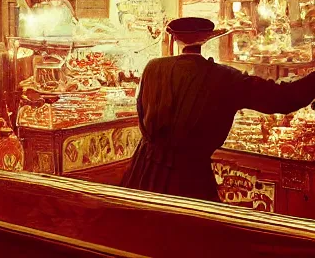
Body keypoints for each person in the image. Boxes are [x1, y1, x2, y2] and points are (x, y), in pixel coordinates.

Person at [122, 17, 315, 202]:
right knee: (191, 233)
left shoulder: (152, 68)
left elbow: (141, 111)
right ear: (208, 38)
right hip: (190, 182)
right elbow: (283, 99)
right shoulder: (225, 78)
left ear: (173, 37)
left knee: (139, 231)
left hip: (143, 174)